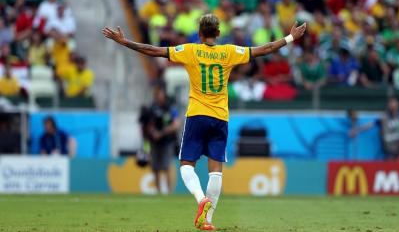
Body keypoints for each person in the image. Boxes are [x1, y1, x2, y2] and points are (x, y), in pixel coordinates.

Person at [102, 14, 306, 230]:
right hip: (220, 117)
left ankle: (201, 200)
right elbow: (264, 49)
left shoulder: (190, 50)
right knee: (216, 169)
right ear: (218, 33)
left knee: (186, 164)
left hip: (197, 115)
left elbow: (154, 50)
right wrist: (290, 38)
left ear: (199, 34)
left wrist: (125, 42)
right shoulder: (229, 52)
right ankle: (207, 221)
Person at [144, 85, 180, 194]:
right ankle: (158, 190)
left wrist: (162, 133)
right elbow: (147, 124)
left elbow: (176, 124)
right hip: (154, 141)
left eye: (160, 93)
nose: (158, 96)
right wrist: (153, 133)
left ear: (164, 95)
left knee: (167, 166)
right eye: (157, 94)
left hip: (167, 141)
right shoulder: (152, 108)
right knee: (155, 166)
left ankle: (169, 191)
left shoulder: (170, 108)